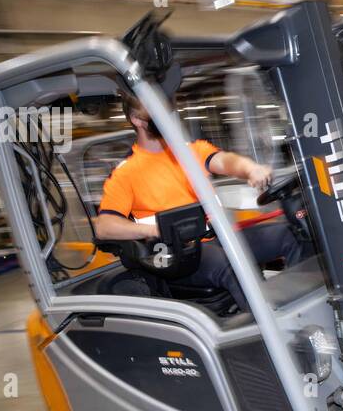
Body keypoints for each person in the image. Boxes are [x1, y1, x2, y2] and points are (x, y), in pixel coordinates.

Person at [94, 96, 302, 312]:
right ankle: (270, 328)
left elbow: (225, 161)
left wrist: (250, 169)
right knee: (233, 264)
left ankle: (301, 311)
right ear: (137, 119)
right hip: (180, 255)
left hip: (217, 239)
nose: (165, 113)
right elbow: (104, 226)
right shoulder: (126, 172)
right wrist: (152, 230)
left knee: (291, 235)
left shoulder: (189, 150)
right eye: (154, 108)